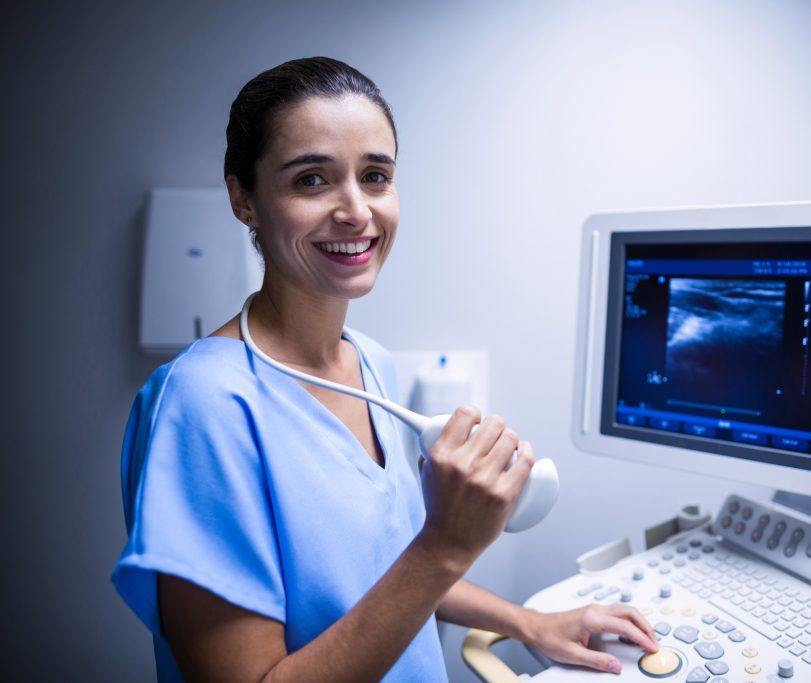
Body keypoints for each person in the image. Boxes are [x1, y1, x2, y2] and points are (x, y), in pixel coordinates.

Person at [112, 56, 658, 682]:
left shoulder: (369, 360)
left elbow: (382, 570)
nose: (355, 211)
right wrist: (448, 544)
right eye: (311, 180)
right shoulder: (201, 404)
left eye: (375, 176)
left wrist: (529, 622)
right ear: (244, 198)